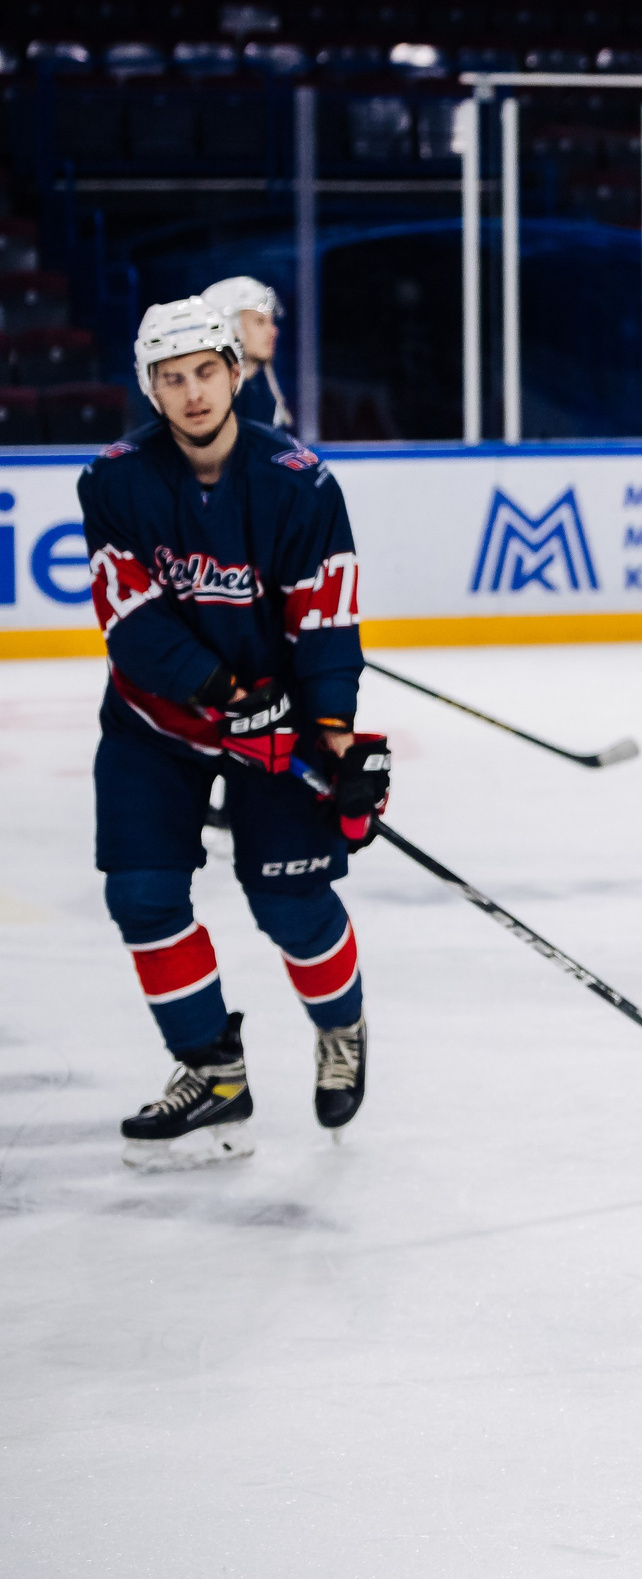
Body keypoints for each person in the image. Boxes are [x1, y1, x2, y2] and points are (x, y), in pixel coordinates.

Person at [83, 297, 389, 1170]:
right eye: (171, 379)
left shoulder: (300, 482)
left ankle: (341, 1025)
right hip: (156, 723)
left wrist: (332, 737)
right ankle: (212, 1071)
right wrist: (223, 690)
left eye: (204, 373)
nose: (190, 394)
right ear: (150, 387)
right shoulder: (113, 479)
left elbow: (327, 623)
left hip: (277, 734)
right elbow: (132, 622)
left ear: (235, 371)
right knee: (141, 895)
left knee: (290, 901)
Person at [200, 276, 292, 433]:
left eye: (272, 322)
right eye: (259, 322)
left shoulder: (260, 396)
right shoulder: (204, 401)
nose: (273, 331)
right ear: (229, 328)